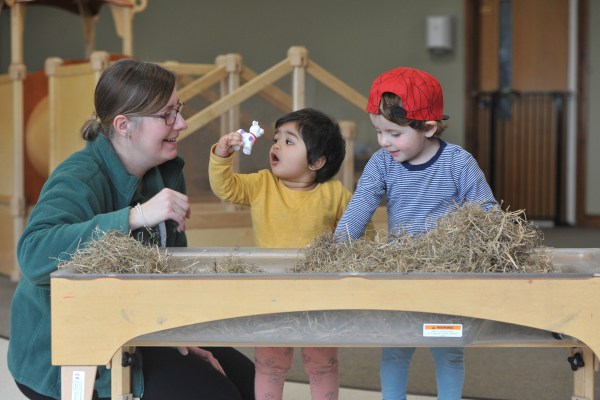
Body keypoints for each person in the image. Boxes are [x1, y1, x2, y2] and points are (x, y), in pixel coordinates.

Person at [8, 58, 255, 400]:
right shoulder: (80, 176)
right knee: (214, 394)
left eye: (178, 109)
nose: (181, 123)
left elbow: (171, 268)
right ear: (124, 124)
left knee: (249, 380)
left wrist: (183, 336)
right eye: (167, 114)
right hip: (70, 351)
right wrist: (134, 216)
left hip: (135, 328)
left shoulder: (163, 173)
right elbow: (33, 255)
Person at [333, 67, 498, 400]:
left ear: (428, 127)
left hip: (447, 274)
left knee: (448, 348)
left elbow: (486, 214)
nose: (383, 142)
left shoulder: (458, 163)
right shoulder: (382, 164)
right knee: (396, 347)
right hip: (401, 272)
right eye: (379, 131)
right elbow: (360, 206)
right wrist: (338, 248)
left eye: (394, 133)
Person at [209, 108, 372, 400]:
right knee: (270, 365)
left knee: (322, 364)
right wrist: (222, 155)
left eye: (289, 141)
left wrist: (352, 258)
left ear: (317, 161)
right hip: (272, 293)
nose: (276, 146)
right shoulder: (262, 184)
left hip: (319, 295)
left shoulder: (335, 194)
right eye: (276, 139)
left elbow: (363, 230)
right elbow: (226, 188)